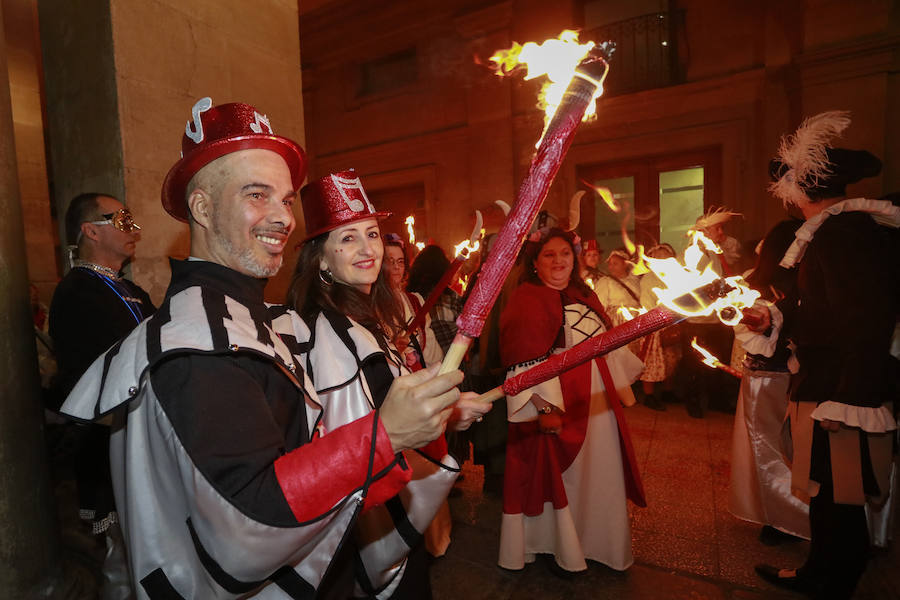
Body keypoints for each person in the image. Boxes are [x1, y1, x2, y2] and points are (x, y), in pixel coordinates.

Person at [60, 99, 467, 599]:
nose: (282, 218)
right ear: (203, 208)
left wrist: (423, 415)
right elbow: (250, 520)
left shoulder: (255, 318)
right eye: (257, 194)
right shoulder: (198, 346)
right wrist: (384, 435)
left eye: (286, 199)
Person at [287, 170, 487, 597]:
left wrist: (448, 409)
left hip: (393, 506)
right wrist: (443, 415)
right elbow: (355, 441)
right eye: (347, 238)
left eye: (372, 233)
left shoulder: (363, 318)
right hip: (370, 522)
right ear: (320, 258)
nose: (367, 249)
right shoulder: (326, 333)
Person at [749, 111, 898, 599]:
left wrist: (849, 398)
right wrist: (772, 319)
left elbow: (866, 319)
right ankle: (823, 572)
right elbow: (823, 310)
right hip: (826, 381)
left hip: (840, 388)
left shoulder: (843, 235)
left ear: (802, 188)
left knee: (839, 495)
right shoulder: (834, 232)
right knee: (829, 492)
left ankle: (830, 581)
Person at [497, 227, 646, 576]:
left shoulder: (584, 293)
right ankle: (560, 546)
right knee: (564, 478)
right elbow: (523, 362)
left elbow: (606, 343)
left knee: (600, 473)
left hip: (596, 398)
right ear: (535, 263)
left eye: (565, 253)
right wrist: (545, 408)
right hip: (556, 400)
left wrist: (622, 386)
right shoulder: (525, 299)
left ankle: (597, 544)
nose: (559, 261)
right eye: (549, 255)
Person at [49, 191, 153, 600]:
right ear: (91, 230)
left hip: (143, 433)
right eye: (120, 220)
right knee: (122, 556)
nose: (134, 230)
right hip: (110, 437)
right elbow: (86, 377)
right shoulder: (76, 291)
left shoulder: (132, 289)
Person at [729, 218, 810, 545]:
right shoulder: (761, 286)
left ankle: (791, 520)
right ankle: (780, 511)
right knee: (781, 447)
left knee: (770, 449)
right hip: (777, 378)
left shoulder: (788, 287)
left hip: (771, 380)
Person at [383, 233, 443, 369]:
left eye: (400, 261)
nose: (396, 267)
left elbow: (431, 351)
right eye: (390, 261)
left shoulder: (415, 301)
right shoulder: (370, 305)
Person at [637, 243, 681, 411]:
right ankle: (649, 395)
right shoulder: (649, 278)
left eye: (664, 256)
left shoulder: (676, 277)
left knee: (672, 358)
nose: (661, 259)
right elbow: (647, 303)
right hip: (653, 325)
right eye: (657, 256)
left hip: (672, 322)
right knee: (653, 360)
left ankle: (667, 391)